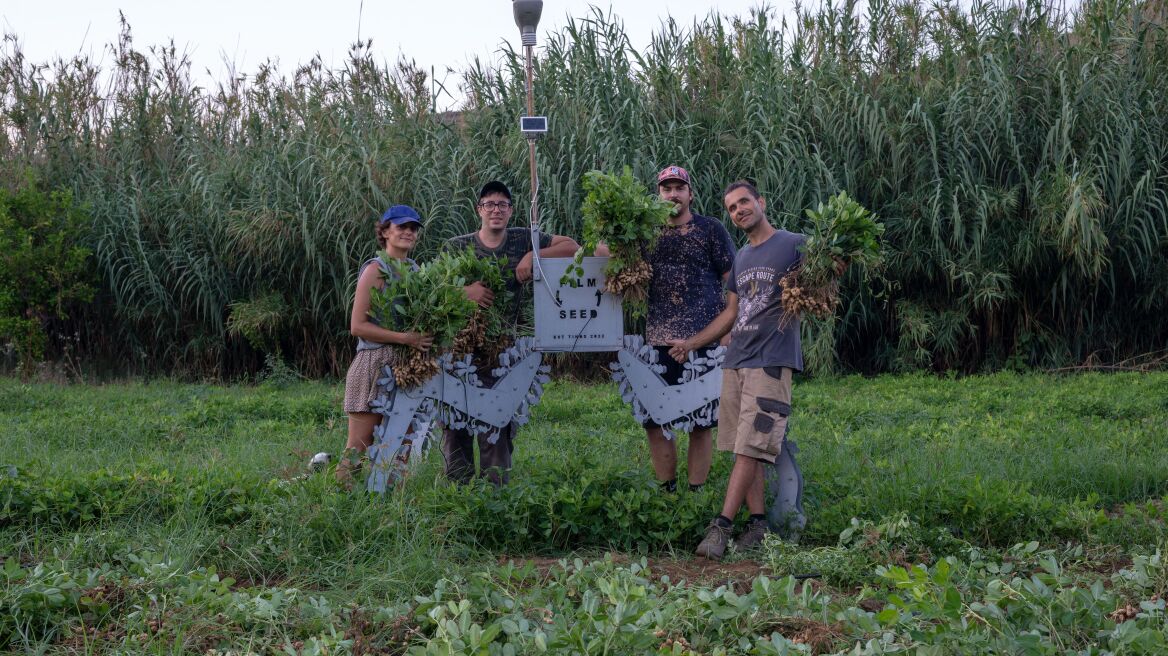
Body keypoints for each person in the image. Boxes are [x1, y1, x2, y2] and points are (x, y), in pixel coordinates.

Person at [667, 181, 806, 560]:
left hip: (771, 360)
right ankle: (758, 524)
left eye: (744, 202)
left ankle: (721, 527)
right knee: (742, 448)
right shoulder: (742, 258)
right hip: (737, 361)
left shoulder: (794, 244)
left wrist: (836, 265)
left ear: (760, 202)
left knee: (751, 446)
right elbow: (731, 313)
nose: (739, 209)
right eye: (731, 207)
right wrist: (693, 343)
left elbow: (826, 274)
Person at [604, 166, 736, 493]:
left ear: (691, 194)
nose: (673, 194)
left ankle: (696, 492)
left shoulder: (710, 229)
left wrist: (728, 332)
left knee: (700, 423)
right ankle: (667, 492)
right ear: (658, 194)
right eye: (667, 188)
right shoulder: (645, 232)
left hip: (704, 339)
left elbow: (732, 279)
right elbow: (609, 257)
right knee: (655, 422)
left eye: (679, 187)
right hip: (658, 340)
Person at [441, 180, 579, 485]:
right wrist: (465, 292)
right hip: (461, 346)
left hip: (502, 348)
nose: (496, 210)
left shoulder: (521, 239)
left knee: (498, 419)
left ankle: (495, 492)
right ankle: (457, 489)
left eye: (502, 205)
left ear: (511, 210)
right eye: (489, 204)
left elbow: (572, 246)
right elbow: (435, 290)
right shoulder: (457, 246)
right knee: (455, 418)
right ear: (479, 210)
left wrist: (534, 255)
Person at [337, 205, 434, 486]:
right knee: (359, 449)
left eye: (413, 228)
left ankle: (389, 513)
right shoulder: (376, 269)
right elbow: (358, 326)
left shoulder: (416, 271)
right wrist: (406, 338)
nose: (408, 232)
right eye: (401, 226)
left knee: (400, 451)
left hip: (407, 368)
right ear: (385, 231)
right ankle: (339, 508)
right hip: (374, 363)